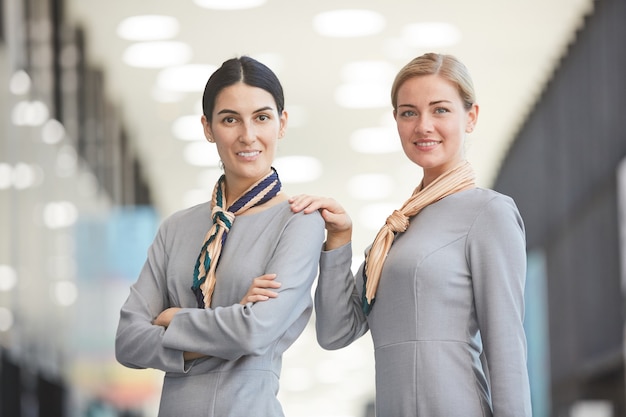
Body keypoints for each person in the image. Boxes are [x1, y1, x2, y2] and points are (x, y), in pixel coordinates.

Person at [289, 53, 532, 416]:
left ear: (471, 117)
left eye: (440, 110)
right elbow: (336, 331)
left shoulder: (489, 213)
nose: (423, 126)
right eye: (409, 112)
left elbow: (506, 347)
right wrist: (339, 241)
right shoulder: (398, 229)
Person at [115, 56, 325, 417]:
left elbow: (254, 333)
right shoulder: (176, 229)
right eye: (230, 119)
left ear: (282, 123)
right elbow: (128, 342)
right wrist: (234, 317)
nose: (248, 135)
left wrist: (174, 318)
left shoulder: (299, 221)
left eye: (262, 117)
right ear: (208, 128)